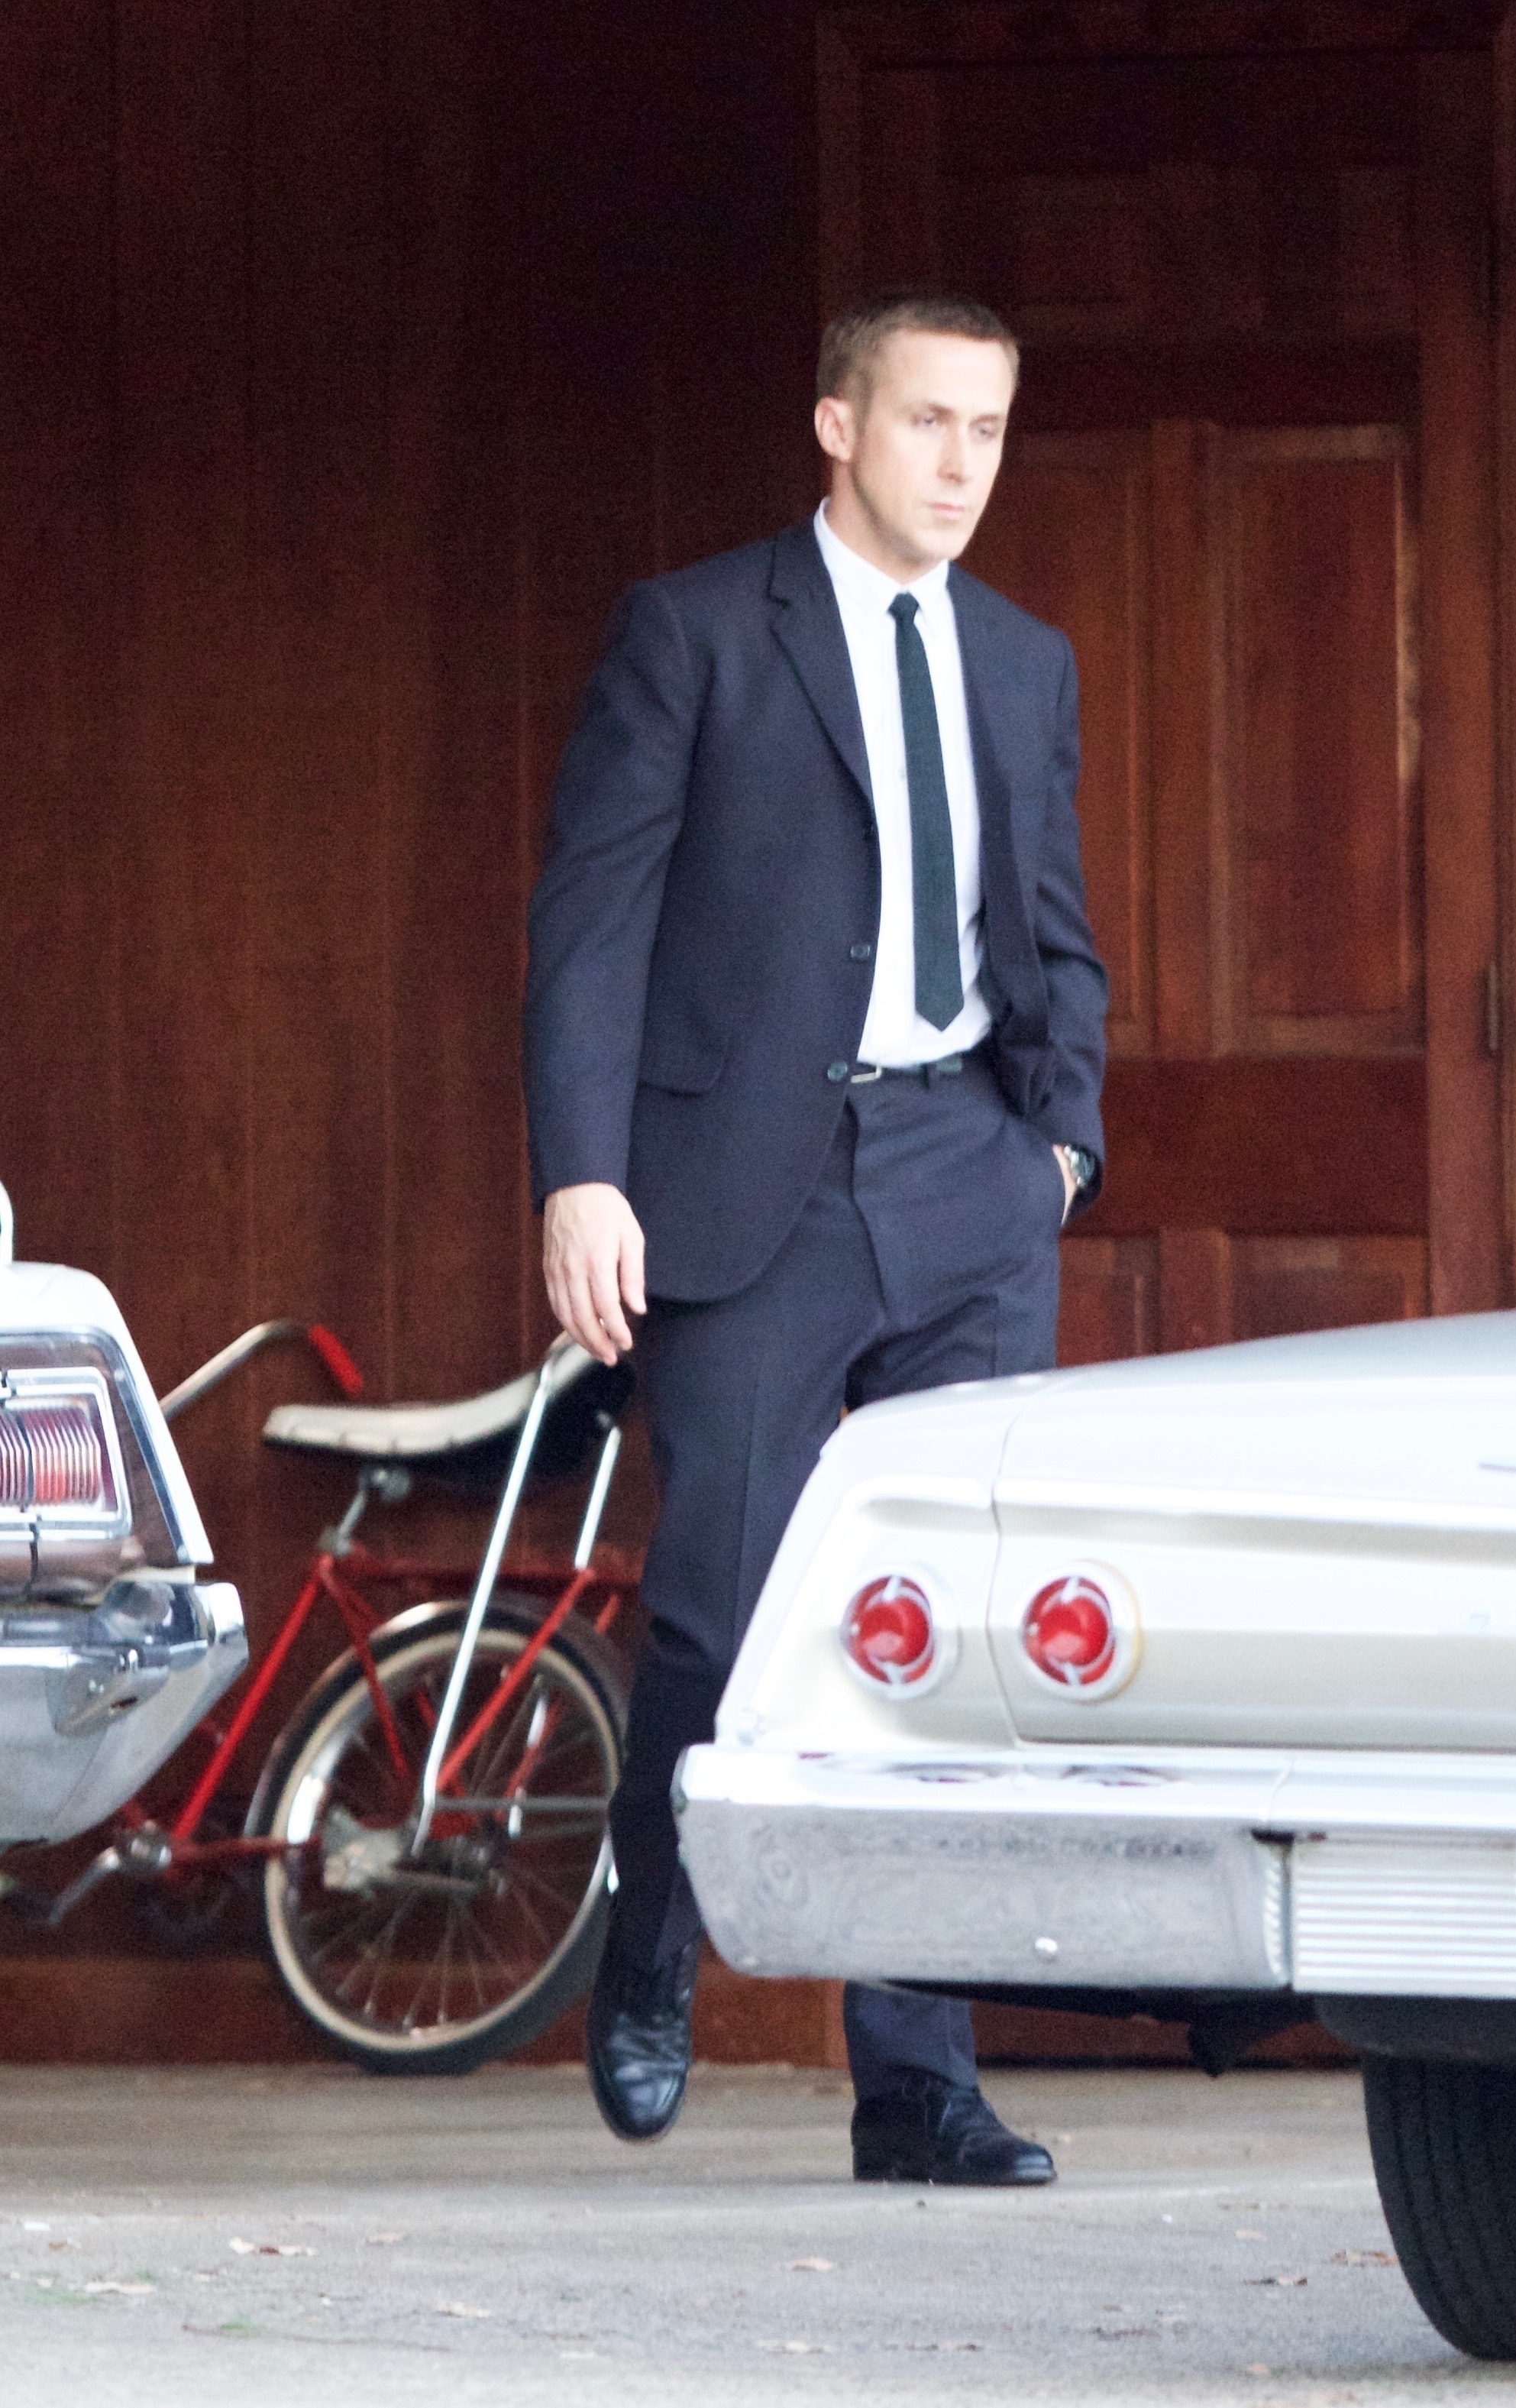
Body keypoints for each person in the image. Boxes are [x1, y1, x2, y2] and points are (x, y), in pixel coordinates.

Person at [523, 291, 1107, 2185]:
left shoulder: (1022, 659)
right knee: (719, 1601)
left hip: (965, 1174)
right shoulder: (695, 631)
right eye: (928, 420)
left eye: (988, 428)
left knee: (952, 1625)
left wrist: (1057, 1148)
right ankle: (651, 1938)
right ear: (837, 425)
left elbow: (1049, 923)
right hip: (744, 1185)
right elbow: (591, 923)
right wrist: (580, 1174)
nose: (962, 462)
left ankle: (913, 2084)